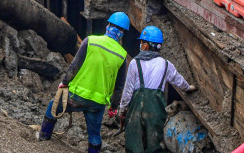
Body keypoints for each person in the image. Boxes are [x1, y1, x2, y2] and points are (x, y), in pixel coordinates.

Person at [38, 12, 130, 153]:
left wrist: (64, 83)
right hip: (97, 103)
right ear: (122, 33)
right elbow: (119, 86)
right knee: (94, 135)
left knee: (53, 107)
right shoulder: (122, 55)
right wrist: (113, 106)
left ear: (108, 26)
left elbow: (74, 66)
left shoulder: (90, 41)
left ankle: (43, 138)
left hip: (77, 96)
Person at [119, 26, 196, 153]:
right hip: (155, 111)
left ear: (148, 45)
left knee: (133, 143)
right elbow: (178, 80)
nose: (141, 44)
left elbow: (128, 91)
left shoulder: (134, 63)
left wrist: (122, 109)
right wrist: (188, 88)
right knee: (153, 145)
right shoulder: (165, 64)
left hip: (136, 110)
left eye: (143, 42)